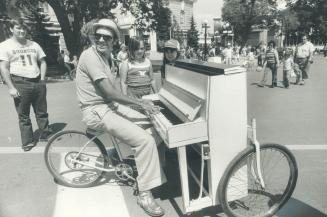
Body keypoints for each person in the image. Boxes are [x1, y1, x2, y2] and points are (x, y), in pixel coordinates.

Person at [75, 18, 166, 217]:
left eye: (106, 37)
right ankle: (144, 193)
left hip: (109, 105)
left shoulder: (107, 57)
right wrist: (140, 103)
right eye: (97, 36)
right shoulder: (90, 57)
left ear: (114, 40)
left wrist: (142, 107)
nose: (100, 40)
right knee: (146, 141)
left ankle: (148, 169)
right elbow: (109, 92)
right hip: (97, 110)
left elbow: (113, 94)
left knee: (155, 125)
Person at [0, 18, 52, 152]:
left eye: (24, 28)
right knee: (23, 114)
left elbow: (43, 61)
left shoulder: (33, 44)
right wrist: (11, 87)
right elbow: (4, 67)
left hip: (37, 81)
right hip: (20, 82)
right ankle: (28, 141)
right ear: (11, 29)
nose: (22, 31)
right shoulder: (5, 45)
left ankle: (45, 133)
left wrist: (42, 78)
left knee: (41, 111)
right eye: (18, 28)